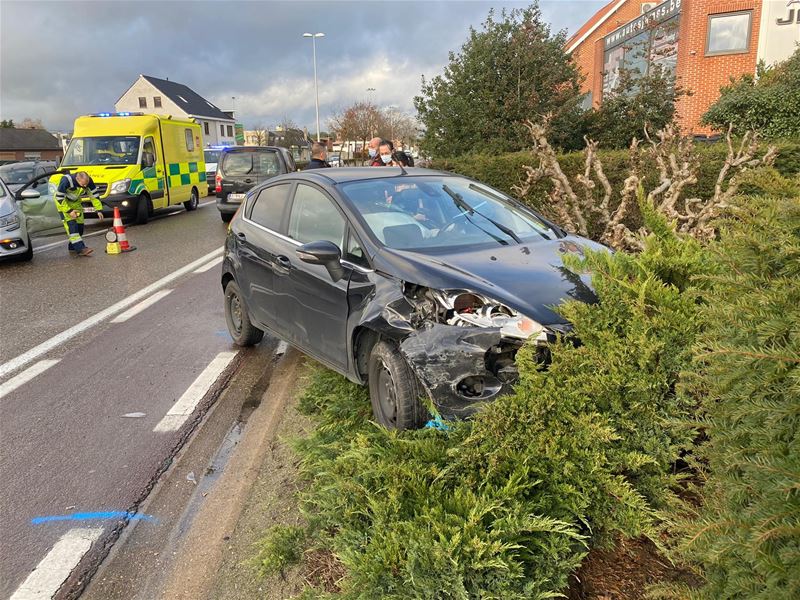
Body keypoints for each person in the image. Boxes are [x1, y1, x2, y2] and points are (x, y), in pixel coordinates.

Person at [54, 171, 104, 256]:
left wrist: (99, 210)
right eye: (83, 184)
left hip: (76, 203)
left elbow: (94, 196)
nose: (85, 186)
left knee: (80, 227)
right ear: (77, 179)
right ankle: (81, 249)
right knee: (72, 227)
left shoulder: (88, 181)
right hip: (63, 204)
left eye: (86, 184)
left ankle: (72, 247)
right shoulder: (66, 180)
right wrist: (69, 211)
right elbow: (59, 197)